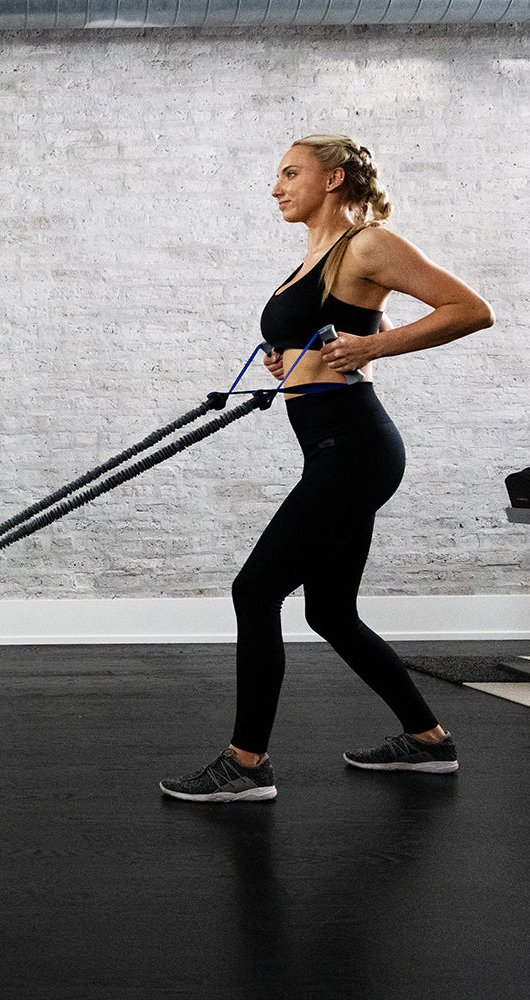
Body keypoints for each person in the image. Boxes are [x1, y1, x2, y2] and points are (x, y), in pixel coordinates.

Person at [160, 134, 494, 803]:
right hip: (333, 446)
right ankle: (428, 742)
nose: (276, 186)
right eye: (276, 176)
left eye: (290, 173)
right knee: (332, 612)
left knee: (254, 592)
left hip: (355, 448)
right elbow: (333, 337)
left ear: (334, 178)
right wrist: (292, 362)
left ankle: (246, 764)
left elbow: (470, 310)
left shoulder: (366, 244)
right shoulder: (311, 257)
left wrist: (371, 346)